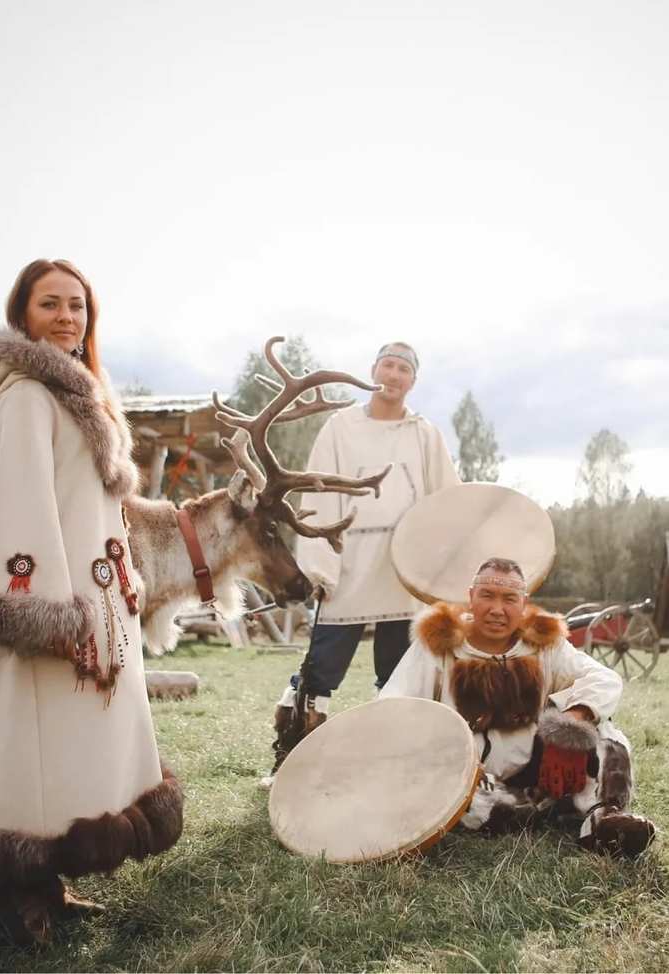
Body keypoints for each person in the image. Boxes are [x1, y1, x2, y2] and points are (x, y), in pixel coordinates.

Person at [0, 259, 183, 944]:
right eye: (51, 304)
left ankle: (50, 877)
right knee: (36, 742)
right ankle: (22, 887)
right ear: (23, 314)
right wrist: (38, 609)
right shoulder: (25, 397)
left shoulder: (81, 395)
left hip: (97, 601)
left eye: (78, 306)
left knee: (73, 745)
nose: (68, 317)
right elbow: (20, 509)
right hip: (56, 605)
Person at [263, 342, 460, 784]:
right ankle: (291, 763)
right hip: (347, 566)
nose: (393, 375)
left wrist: (439, 567)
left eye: (403, 369)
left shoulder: (424, 433)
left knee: (398, 672)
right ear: (372, 370)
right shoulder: (341, 426)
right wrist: (318, 565)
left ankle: (392, 764)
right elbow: (317, 491)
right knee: (320, 669)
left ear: (413, 380)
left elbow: (445, 499)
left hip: (404, 573)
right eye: (387, 365)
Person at [378, 557, 656, 856]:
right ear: (471, 597)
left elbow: (605, 679)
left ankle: (604, 822)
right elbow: (394, 707)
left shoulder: (546, 645)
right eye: (487, 596)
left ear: (523, 603)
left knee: (603, 728)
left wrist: (568, 727)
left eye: (509, 599)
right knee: (455, 791)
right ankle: (546, 810)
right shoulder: (437, 647)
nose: (497, 609)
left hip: (542, 772)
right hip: (474, 786)